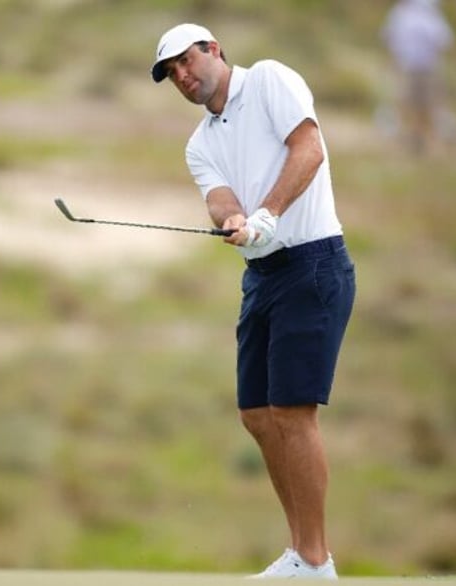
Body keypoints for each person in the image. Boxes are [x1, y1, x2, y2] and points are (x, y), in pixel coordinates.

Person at [150, 24, 356, 580]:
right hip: (262, 278)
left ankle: (316, 561)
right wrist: (236, 219)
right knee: (258, 414)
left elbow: (309, 147)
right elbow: (219, 199)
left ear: (214, 50)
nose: (183, 77)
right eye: (172, 74)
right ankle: (300, 552)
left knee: (292, 411)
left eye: (187, 62)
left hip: (313, 263)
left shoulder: (268, 80)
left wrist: (267, 213)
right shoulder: (200, 142)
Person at [381, 0, 455, 153]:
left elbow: (389, 37)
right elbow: (443, 40)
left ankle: (419, 138)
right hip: (416, 67)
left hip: (416, 67)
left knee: (417, 104)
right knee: (415, 104)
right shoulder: (411, 14)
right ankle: (415, 138)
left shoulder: (403, 13)